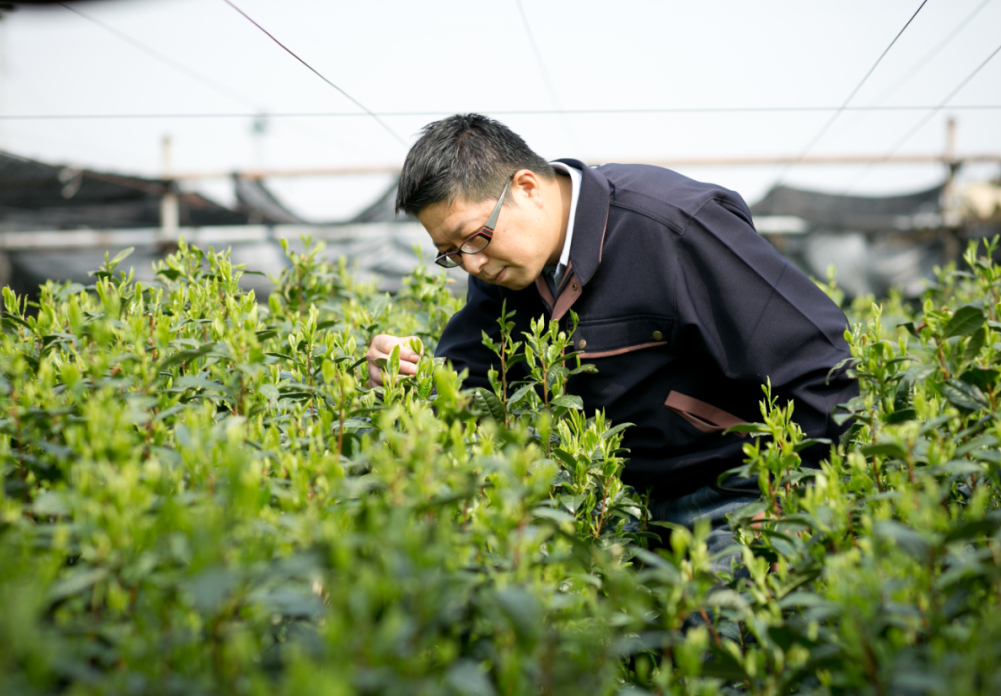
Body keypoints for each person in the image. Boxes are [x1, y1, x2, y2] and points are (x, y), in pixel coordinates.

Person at [366, 113, 857, 566]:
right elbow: (469, 380)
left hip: (731, 491)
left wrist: (790, 498)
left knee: (717, 637)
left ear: (527, 187)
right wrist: (407, 374)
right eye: (449, 253)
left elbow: (824, 367)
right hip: (612, 502)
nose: (470, 264)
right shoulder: (502, 270)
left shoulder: (671, 225)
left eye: (473, 238)